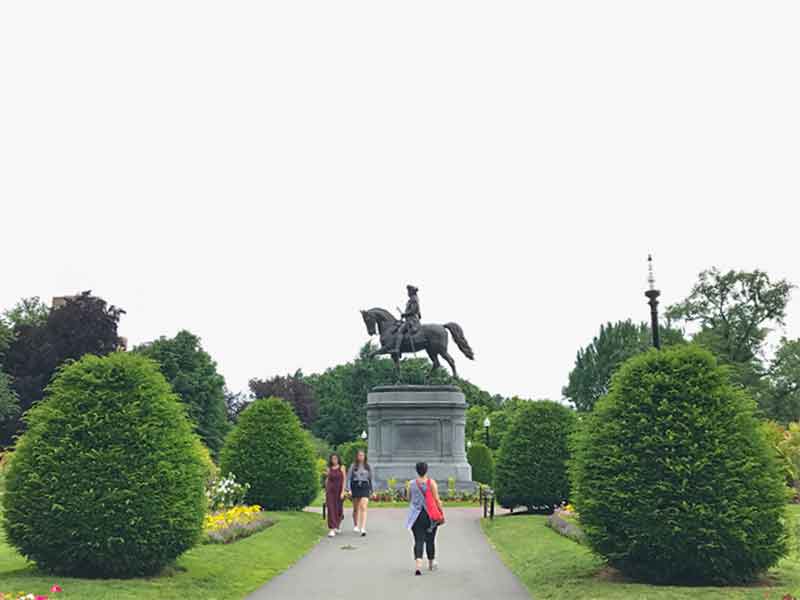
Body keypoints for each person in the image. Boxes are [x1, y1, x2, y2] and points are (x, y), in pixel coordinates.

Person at [406, 461, 443, 575]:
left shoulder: (411, 484)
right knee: (430, 539)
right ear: (426, 470)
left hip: (416, 516)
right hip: (429, 515)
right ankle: (431, 563)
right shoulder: (431, 483)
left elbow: (409, 498)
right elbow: (436, 499)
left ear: (416, 470)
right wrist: (440, 510)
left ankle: (418, 565)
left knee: (418, 540)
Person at [346, 449, 373, 536]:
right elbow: (349, 478)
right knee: (356, 508)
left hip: (365, 486)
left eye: (362, 455)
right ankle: (356, 525)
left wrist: (372, 490)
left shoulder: (368, 466)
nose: (361, 457)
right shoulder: (353, 466)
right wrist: (348, 489)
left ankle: (363, 528)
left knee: (363, 507)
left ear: (365, 457)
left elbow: (370, 479)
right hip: (355, 486)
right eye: (359, 455)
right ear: (357, 457)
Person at [393, 284, 421, 355]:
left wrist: (405, 314)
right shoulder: (413, 299)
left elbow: (414, 310)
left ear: (411, 292)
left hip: (412, 320)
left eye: (408, 291)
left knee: (400, 331)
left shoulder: (414, 299)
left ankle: (397, 349)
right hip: (409, 319)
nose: (408, 293)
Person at [325, 453, 346, 537]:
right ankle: (332, 529)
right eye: (332, 459)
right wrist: (325, 490)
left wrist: (343, 492)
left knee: (338, 509)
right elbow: (327, 480)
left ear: (338, 459)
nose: (334, 460)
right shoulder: (329, 468)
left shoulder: (342, 467)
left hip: (339, 491)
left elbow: (344, 480)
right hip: (330, 491)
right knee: (331, 509)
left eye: (335, 458)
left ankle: (337, 524)